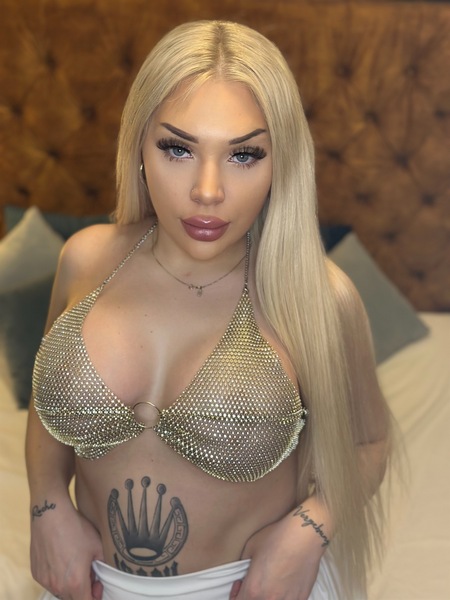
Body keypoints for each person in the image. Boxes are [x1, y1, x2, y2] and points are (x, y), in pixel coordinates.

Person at [26, 19, 393, 600]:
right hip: (87, 584)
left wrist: (306, 534)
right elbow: (46, 405)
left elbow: (369, 443)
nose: (207, 190)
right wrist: (47, 506)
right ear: (139, 146)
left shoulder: (318, 297)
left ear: (281, 163)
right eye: (178, 148)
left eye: (244, 155)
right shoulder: (86, 260)